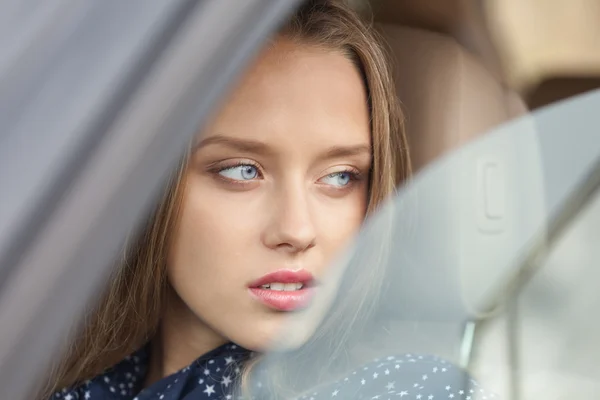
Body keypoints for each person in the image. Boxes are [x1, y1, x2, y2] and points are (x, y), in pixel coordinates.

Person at [43, 1, 493, 399]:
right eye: (242, 171)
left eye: (340, 177)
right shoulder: (53, 372)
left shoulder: (410, 391)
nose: (296, 231)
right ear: (149, 185)